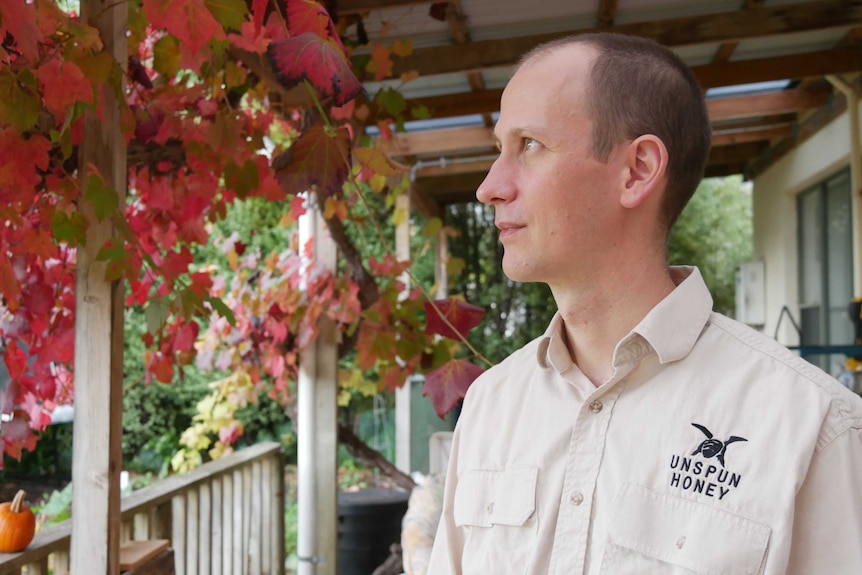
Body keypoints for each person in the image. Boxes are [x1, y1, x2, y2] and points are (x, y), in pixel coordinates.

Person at [426, 32, 862, 574]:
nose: (489, 186)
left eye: (529, 145)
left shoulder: (811, 425)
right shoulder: (490, 406)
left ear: (636, 170)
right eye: (499, 149)